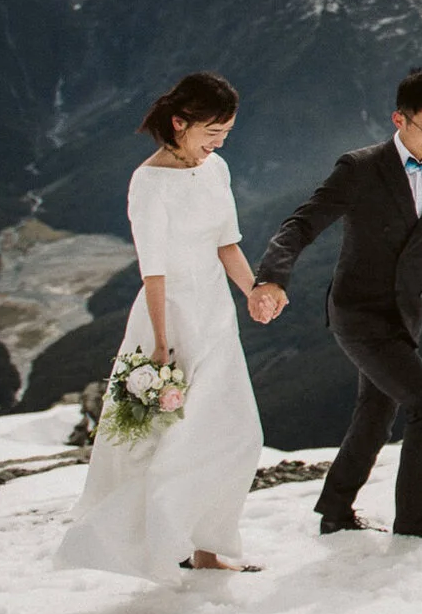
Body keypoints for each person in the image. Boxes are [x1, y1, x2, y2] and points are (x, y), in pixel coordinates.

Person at [250, 67, 422, 539]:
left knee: (376, 411)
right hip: (358, 313)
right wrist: (272, 278)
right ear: (398, 120)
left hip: (406, 314)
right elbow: (301, 224)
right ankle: (413, 517)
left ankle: (336, 509)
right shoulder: (360, 168)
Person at [55, 72, 274, 581]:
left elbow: (226, 244)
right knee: (169, 442)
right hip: (170, 317)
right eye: (211, 132)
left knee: (238, 434)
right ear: (180, 123)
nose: (218, 144)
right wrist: (158, 344)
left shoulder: (215, 169)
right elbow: (152, 270)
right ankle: (156, 546)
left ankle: (210, 545)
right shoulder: (149, 183)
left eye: (225, 134)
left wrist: (252, 292)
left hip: (214, 314)